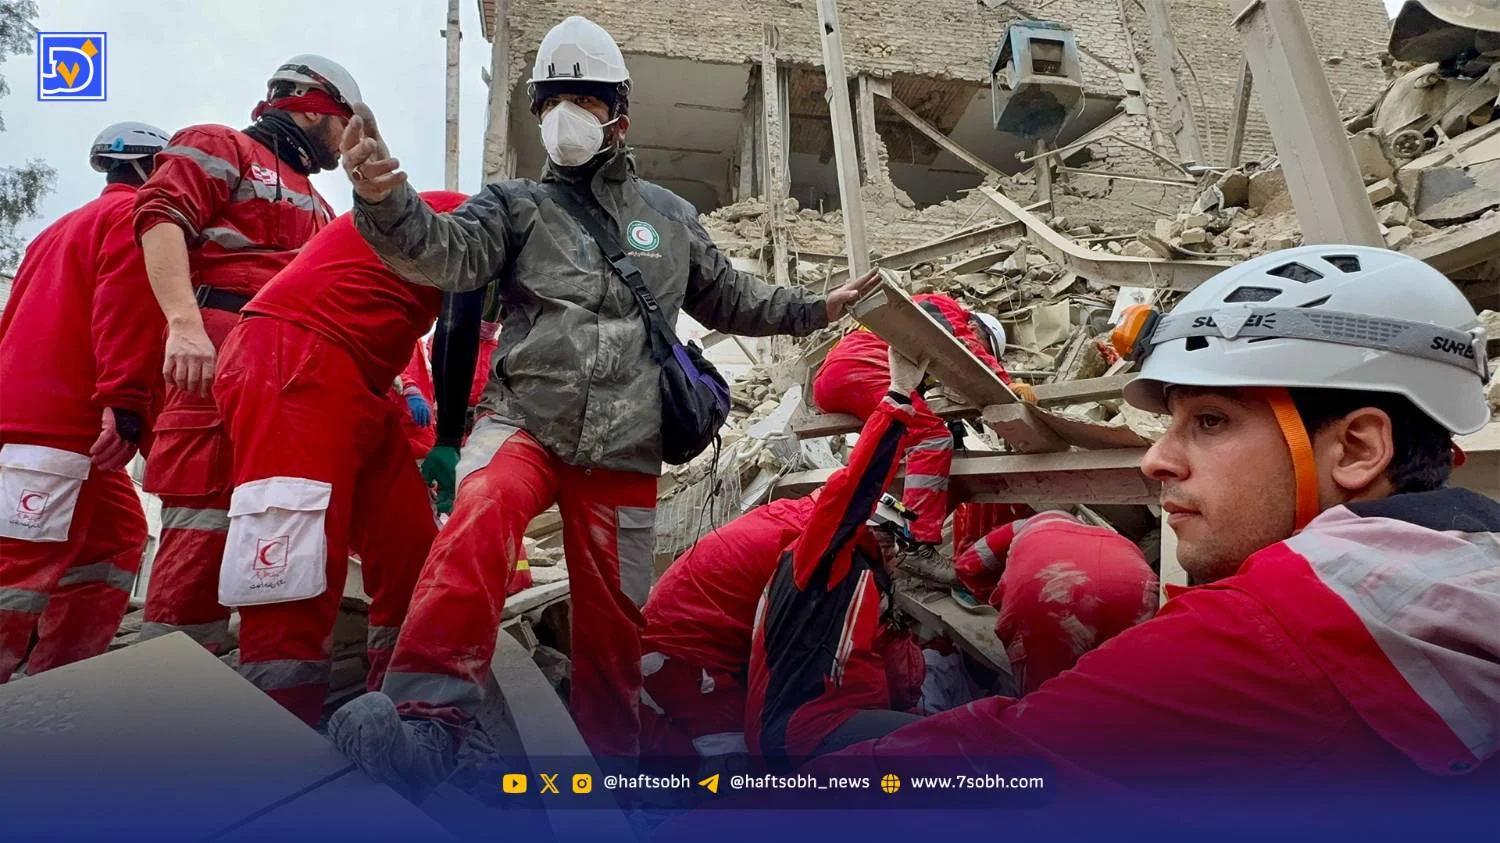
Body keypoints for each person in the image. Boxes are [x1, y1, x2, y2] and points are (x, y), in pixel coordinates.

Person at [327, 15, 881, 796]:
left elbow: (735, 297)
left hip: (627, 442)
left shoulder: (670, 217)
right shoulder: (515, 206)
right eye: (552, 100)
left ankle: (613, 775)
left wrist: (819, 307)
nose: (567, 114)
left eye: (584, 98)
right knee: (477, 521)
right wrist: (386, 198)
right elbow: (443, 250)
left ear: (618, 112)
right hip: (524, 421)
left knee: (615, 627)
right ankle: (427, 723)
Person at [810, 245, 1499, 814]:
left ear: (1356, 449)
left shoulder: (1262, 636)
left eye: (1210, 421)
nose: (1155, 459)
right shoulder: (1469, 559)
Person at [209, 191, 468, 724]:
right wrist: (450, 435)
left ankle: (399, 716)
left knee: (410, 550)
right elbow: (458, 327)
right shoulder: (480, 219)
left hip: (362, 375)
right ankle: (278, 733)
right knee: (292, 565)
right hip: (293, 352)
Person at [133, 55, 358, 654]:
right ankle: (173, 671)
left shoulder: (321, 205)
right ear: (312, 108)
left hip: (292, 362)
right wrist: (184, 323)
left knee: (277, 508)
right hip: (219, 339)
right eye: (343, 124)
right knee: (203, 508)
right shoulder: (220, 146)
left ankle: (251, 667)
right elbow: (160, 218)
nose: (345, 142)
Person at [0, 122, 171, 682]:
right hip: (59, 426)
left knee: (118, 539)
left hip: (46, 421)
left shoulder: (58, 229)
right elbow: (125, 309)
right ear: (152, 168)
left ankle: (57, 684)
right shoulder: (135, 217)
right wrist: (126, 401)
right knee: (17, 571)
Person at [745, 349, 933, 771]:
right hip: (803, 728)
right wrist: (898, 397)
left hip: (826, 722)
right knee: (948, 745)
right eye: (891, 539)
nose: (895, 553)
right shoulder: (818, 563)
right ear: (868, 528)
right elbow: (853, 489)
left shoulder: (861, 587)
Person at [813, 294, 1032, 581]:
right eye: (986, 347)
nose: (981, 348)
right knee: (932, 439)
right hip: (864, 369)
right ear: (976, 327)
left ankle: (881, 526)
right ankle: (916, 546)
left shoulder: (914, 323)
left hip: (831, 379)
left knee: (893, 443)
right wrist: (1006, 383)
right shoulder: (948, 308)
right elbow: (965, 345)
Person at [639, 491, 823, 761]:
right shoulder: (809, 546)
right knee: (733, 766)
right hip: (687, 655)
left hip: (674, 636)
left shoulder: (787, 516)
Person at [953, 510, 1158, 694]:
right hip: (1136, 582)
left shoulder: (1022, 527)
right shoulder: (1096, 531)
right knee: (1131, 685)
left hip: (1053, 585)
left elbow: (967, 565)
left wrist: (989, 594)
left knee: (1046, 698)